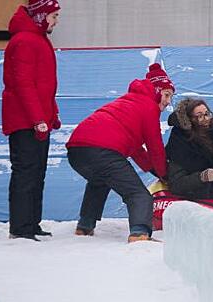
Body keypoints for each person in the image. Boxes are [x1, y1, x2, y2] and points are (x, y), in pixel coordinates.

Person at [66, 63, 174, 243]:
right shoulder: (149, 107)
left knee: (99, 180)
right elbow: (156, 149)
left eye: (171, 96)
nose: (169, 101)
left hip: (76, 151)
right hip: (103, 151)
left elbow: (136, 151)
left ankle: (85, 226)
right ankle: (140, 233)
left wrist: (154, 170)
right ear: (156, 91)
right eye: (166, 94)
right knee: (137, 194)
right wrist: (165, 174)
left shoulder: (128, 101)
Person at [2, 0, 61, 241]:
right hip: (25, 121)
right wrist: (38, 119)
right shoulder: (24, 41)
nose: (56, 21)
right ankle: (21, 227)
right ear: (41, 14)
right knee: (26, 172)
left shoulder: (38, 39)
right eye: (54, 16)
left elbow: (44, 86)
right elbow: (23, 84)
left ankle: (31, 222)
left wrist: (51, 114)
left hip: (39, 121)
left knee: (38, 172)